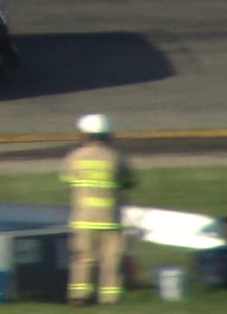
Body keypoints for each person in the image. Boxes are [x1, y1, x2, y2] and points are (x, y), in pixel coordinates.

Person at [63, 113, 135, 307]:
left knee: (83, 258)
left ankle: (79, 295)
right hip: (110, 219)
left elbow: (68, 182)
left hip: (83, 218)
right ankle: (110, 298)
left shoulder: (75, 157)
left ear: (84, 134)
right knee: (111, 261)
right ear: (107, 134)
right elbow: (128, 182)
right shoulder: (116, 157)